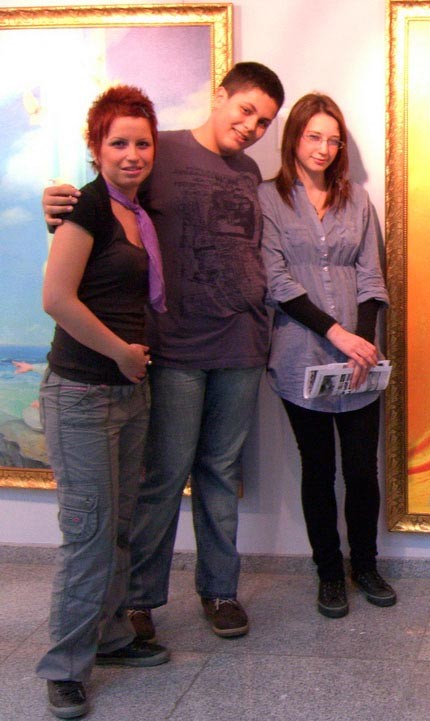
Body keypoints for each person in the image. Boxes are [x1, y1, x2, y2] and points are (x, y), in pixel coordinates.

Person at [43, 62, 285, 643]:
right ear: (220, 96)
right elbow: (101, 202)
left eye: (264, 122)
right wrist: (53, 203)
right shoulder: (159, 150)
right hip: (174, 347)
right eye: (246, 110)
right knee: (164, 476)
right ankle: (139, 600)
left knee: (221, 473)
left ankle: (220, 591)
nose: (251, 127)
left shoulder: (250, 170)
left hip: (242, 345)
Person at [36, 85, 169, 720]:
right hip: (82, 394)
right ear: (96, 148)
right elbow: (56, 299)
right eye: (119, 142)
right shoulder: (86, 207)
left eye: (142, 142)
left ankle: (112, 636)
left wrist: (130, 367)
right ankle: (64, 667)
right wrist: (121, 353)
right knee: (88, 535)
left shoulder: (136, 213)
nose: (132, 153)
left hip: (128, 393)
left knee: (117, 527)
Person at [259, 93, 393, 618]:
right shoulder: (267, 198)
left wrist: (361, 344)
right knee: (317, 469)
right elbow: (276, 280)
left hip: (359, 358)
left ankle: (366, 565)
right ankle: (329, 573)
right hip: (299, 354)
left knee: (361, 471)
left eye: (333, 140)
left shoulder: (357, 200)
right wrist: (337, 335)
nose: (324, 148)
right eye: (314, 136)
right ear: (294, 137)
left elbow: (371, 275)